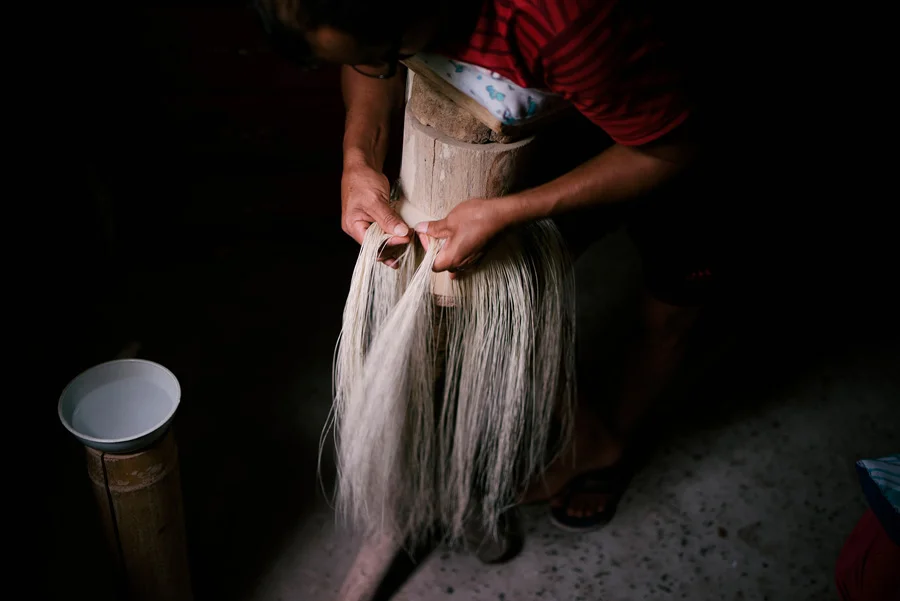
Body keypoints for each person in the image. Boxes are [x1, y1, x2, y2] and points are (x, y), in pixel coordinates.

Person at [256, 0, 721, 532]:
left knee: (671, 310)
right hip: (577, 112)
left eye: (386, 54)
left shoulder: (563, 24)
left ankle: (605, 446)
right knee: (504, 293)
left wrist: (512, 210)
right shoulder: (381, 31)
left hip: (680, 145)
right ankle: (581, 428)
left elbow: (670, 147)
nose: (378, 66)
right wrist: (358, 161)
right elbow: (368, 63)